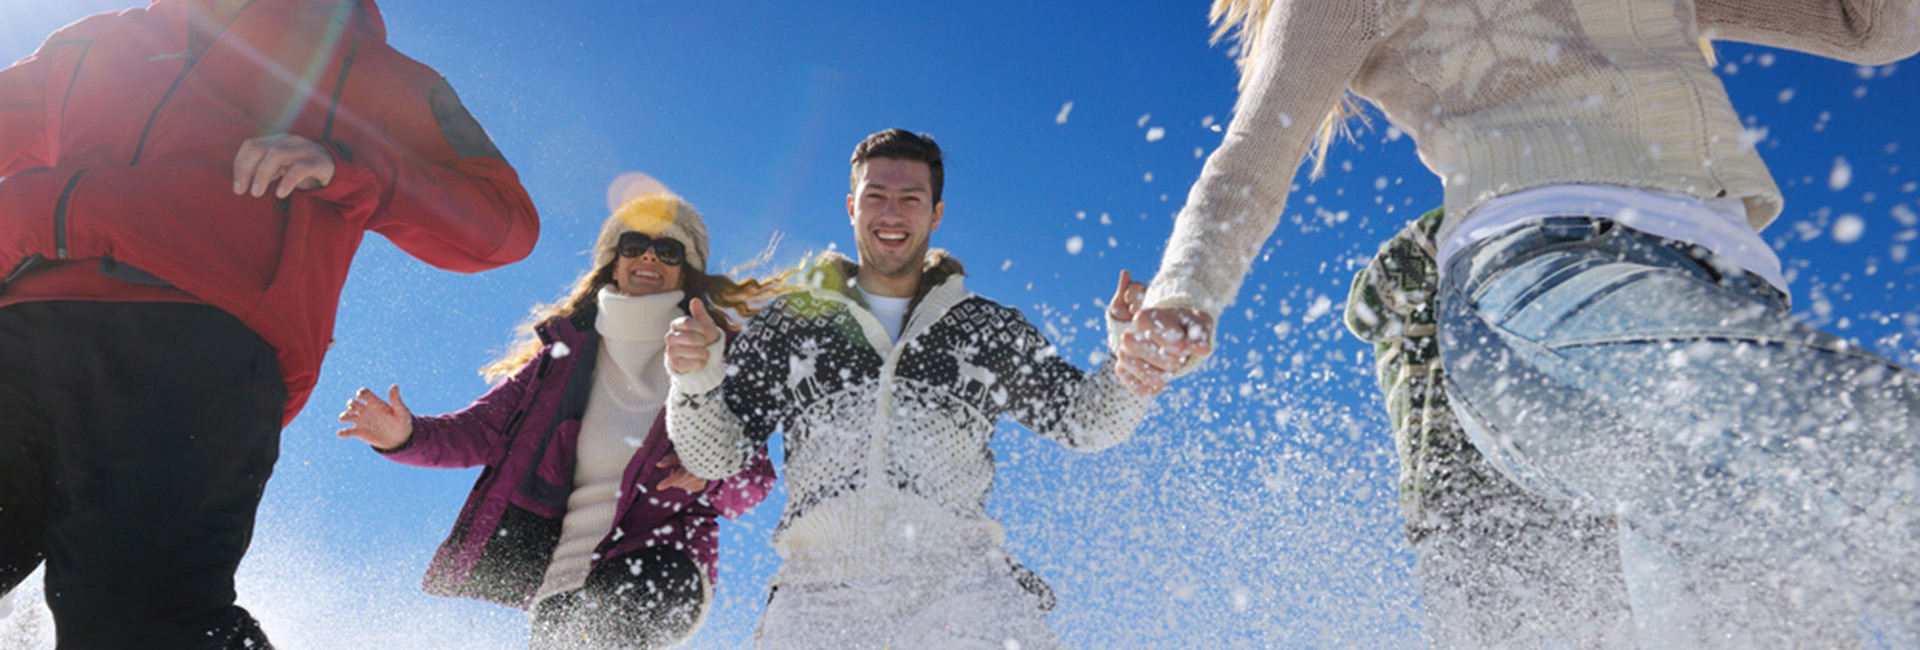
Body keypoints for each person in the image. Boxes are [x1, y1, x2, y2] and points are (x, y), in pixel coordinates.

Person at [1124, 0, 1920, 645]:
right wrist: (1183, 292)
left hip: (1734, 286)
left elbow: (1876, 26)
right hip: (1541, 277)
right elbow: (1255, 153)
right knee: (1871, 443)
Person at [0, 0, 539, 647]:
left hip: (196, 345)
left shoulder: (369, 69)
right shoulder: (91, 41)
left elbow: (505, 223)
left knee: (133, 621)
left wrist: (352, 168)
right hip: (18, 324)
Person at [662, 128, 1162, 649]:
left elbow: (1087, 422)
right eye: (876, 197)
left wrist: (1130, 349)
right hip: (821, 592)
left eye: (911, 199)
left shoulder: (984, 328)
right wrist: (695, 378)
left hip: (963, 590)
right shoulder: (793, 324)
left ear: (936, 214)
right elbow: (714, 457)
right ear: (852, 206)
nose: (892, 214)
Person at [337, 192, 780, 649]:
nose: (649, 255)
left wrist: (709, 473)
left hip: (664, 561)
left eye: (668, 249)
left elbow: (754, 483)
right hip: (563, 580)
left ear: (684, 270)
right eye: (634, 244)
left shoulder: (713, 356)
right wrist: (405, 436)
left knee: (595, 634)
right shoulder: (561, 358)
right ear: (614, 260)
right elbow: (478, 432)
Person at [1346, 209, 1635, 649]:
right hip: (1460, 503)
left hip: (1562, 498)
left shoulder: (1537, 288)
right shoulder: (1419, 301)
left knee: (1617, 630)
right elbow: (1365, 312)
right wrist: (1467, 213)